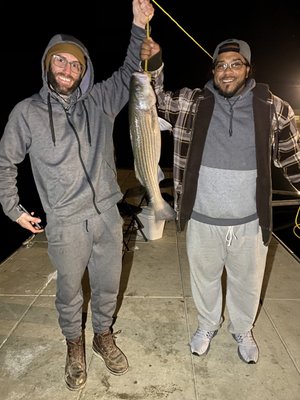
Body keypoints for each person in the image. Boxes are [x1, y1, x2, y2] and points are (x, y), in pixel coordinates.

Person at [0, 0, 154, 391]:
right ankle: (74, 344)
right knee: (69, 292)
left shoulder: (100, 102)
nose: (67, 70)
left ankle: (102, 335)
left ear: (83, 71)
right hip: (66, 221)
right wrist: (12, 207)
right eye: (60, 62)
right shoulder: (27, 113)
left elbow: (129, 73)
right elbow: (7, 160)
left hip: (106, 213)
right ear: (48, 65)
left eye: (75, 64)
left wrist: (138, 25)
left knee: (107, 284)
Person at [140, 36, 300, 364]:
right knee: (205, 279)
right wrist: (154, 62)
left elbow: (292, 158)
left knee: (247, 281)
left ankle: (242, 329)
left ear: (248, 69)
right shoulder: (193, 103)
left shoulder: (273, 107)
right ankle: (207, 324)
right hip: (202, 216)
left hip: (250, 221)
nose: (227, 72)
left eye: (235, 64)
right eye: (221, 66)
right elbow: (150, 99)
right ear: (213, 71)